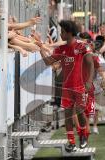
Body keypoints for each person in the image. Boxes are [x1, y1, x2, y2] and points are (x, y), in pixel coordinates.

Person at [39, 20, 94, 152]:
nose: (61, 34)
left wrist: (89, 81)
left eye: (62, 32)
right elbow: (48, 62)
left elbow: (91, 64)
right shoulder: (61, 49)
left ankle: (83, 135)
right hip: (66, 88)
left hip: (80, 86)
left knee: (80, 112)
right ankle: (71, 142)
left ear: (69, 33)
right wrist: (41, 49)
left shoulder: (82, 46)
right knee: (68, 115)